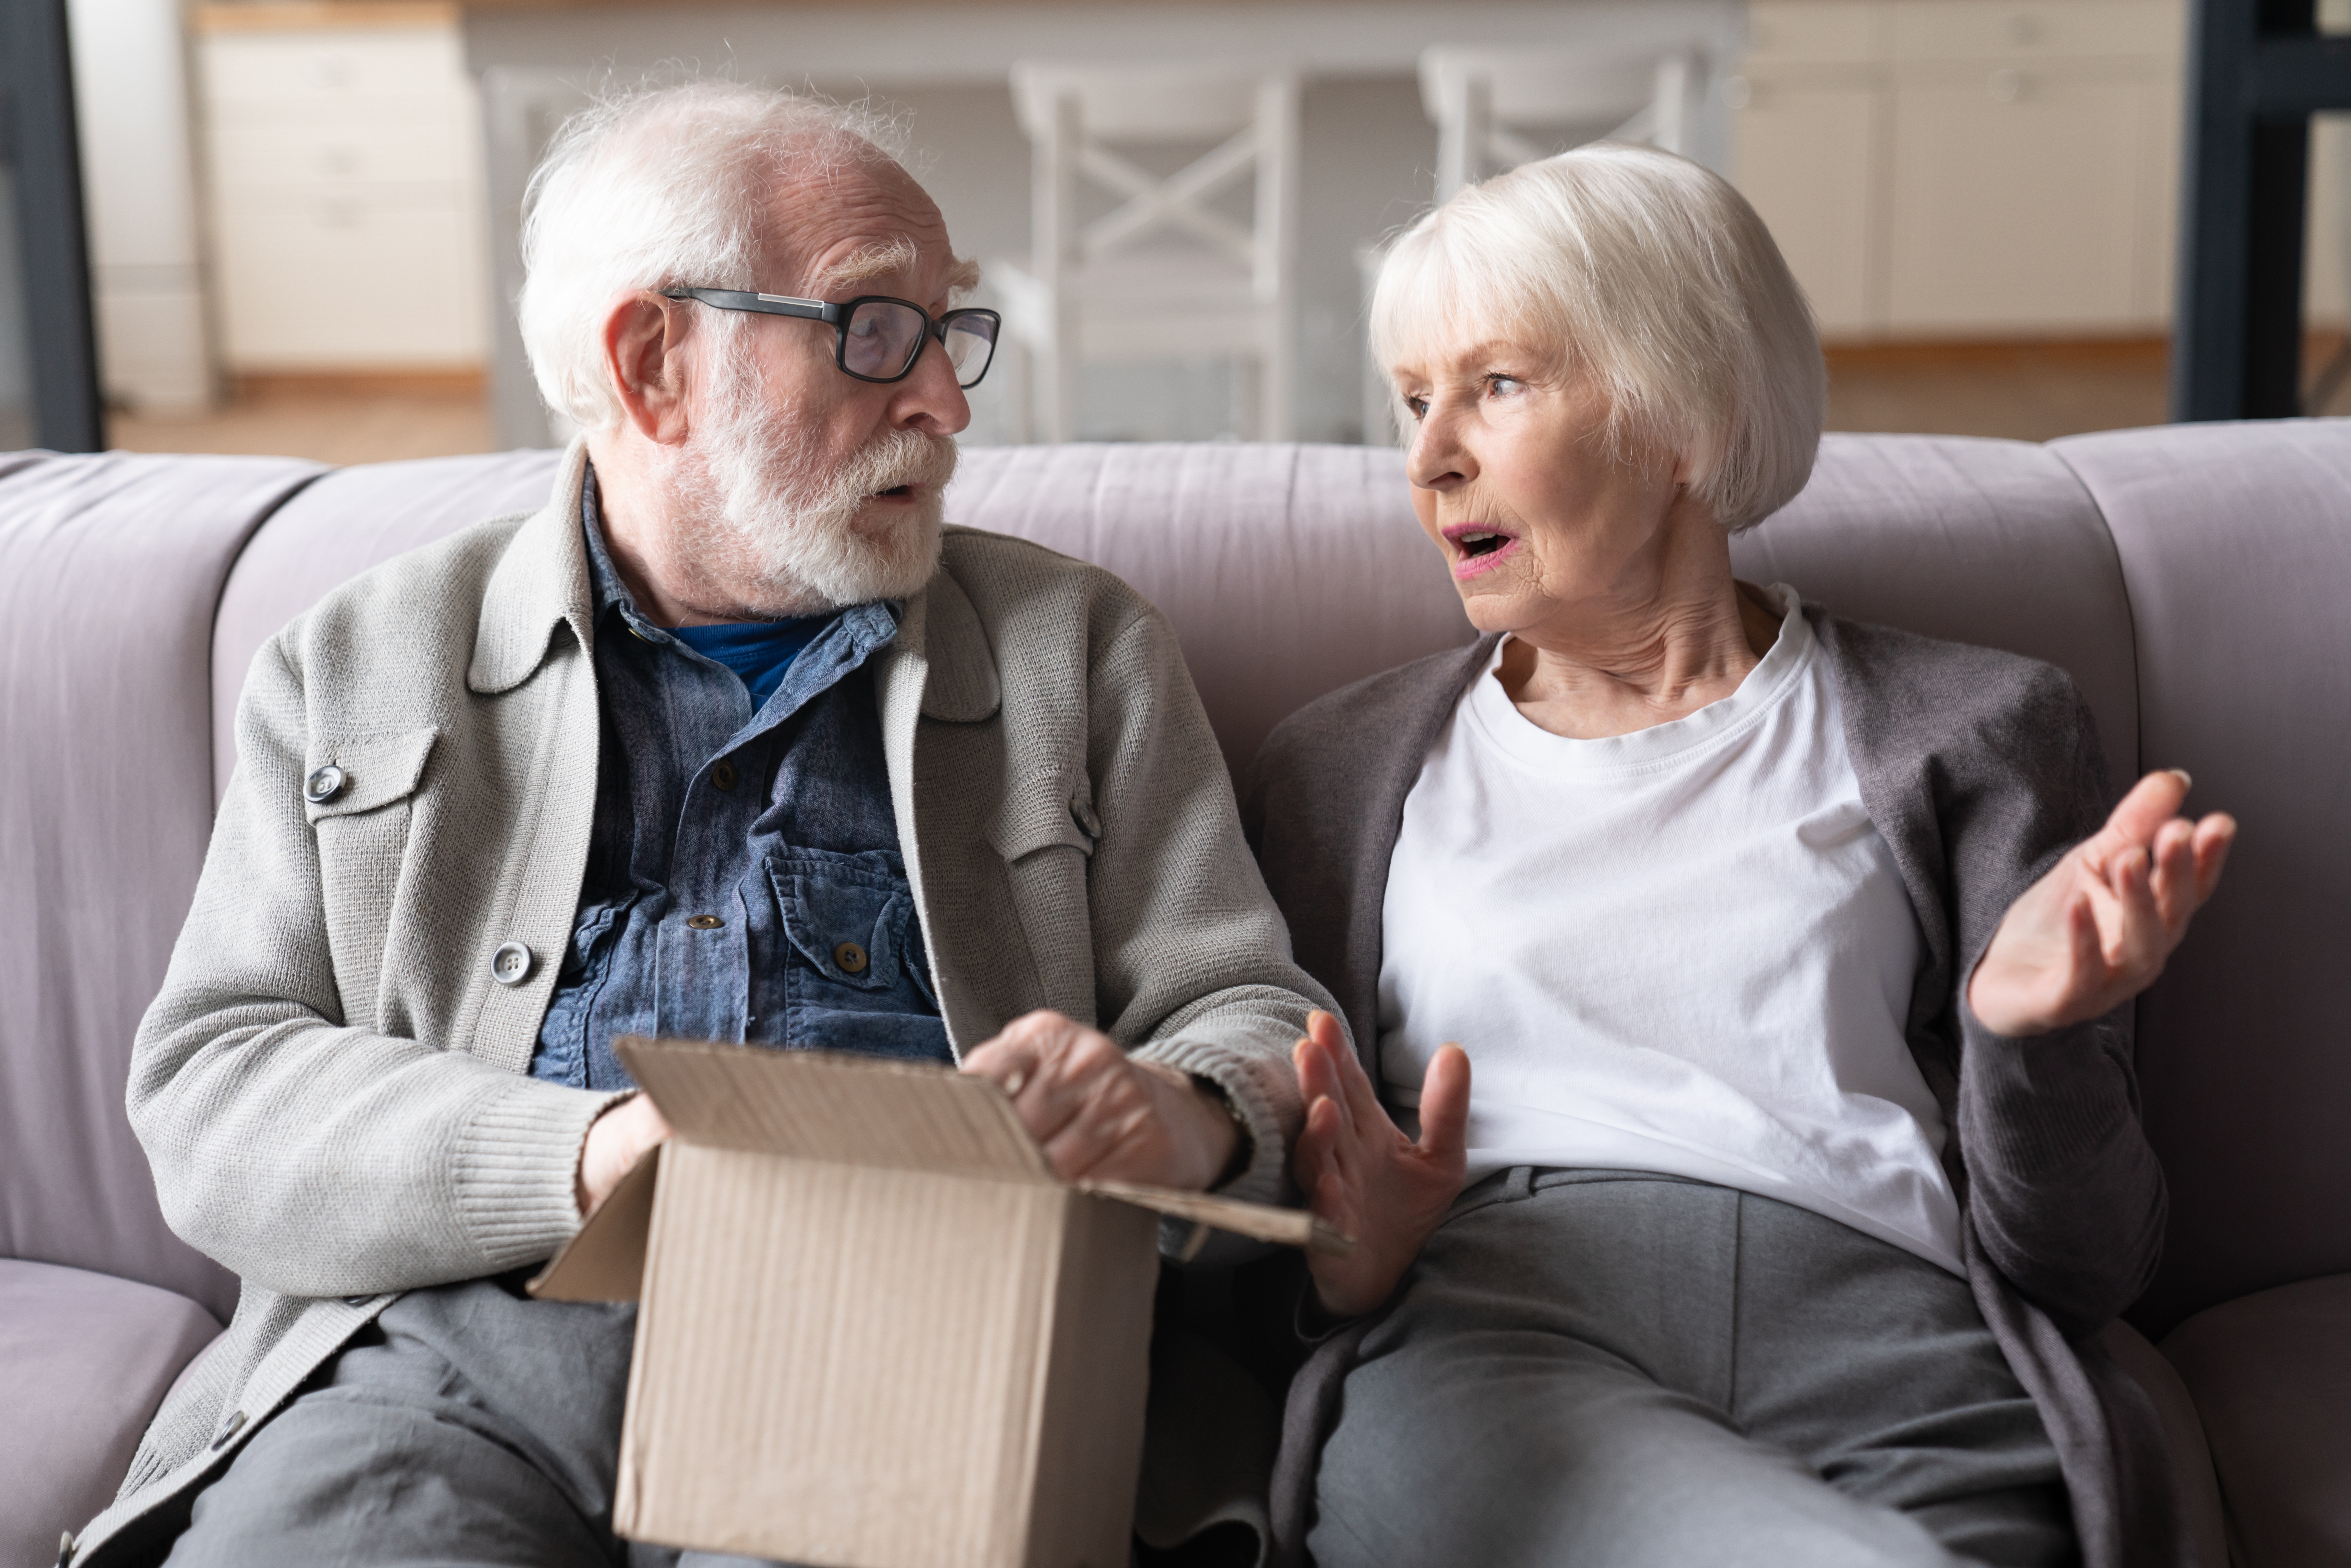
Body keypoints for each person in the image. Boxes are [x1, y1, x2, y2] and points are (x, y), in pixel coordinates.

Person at [68, 81, 1330, 1568]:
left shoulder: (1078, 652)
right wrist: (593, 1154)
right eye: (874, 330)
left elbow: (1253, 1008)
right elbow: (219, 1087)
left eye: (949, 329)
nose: (947, 401)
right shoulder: (358, 662)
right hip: (451, 1361)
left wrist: (1175, 1112)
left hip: (914, 1356)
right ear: (654, 362)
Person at [1246, 143, 2235, 1568]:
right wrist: (1343, 1264)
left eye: (1495, 385)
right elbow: (1254, 1247)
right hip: (1500, 1329)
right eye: (1413, 399)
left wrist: (2030, 1040)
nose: (1427, 458)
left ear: (1684, 419)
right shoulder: (1332, 774)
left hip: (1903, 1357)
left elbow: (2085, 1264)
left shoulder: (1984, 728)